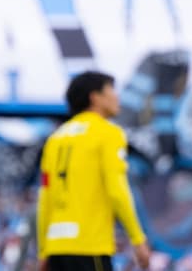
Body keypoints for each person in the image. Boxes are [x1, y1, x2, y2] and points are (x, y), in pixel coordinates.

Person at [36, 71, 151, 271]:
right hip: (89, 247)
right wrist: (137, 238)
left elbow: (45, 198)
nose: (117, 97)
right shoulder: (108, 133)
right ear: (95, 97)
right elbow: (117, 190)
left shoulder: (55, 140)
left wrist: (43, 251)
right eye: (111, 90)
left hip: (56, 249)